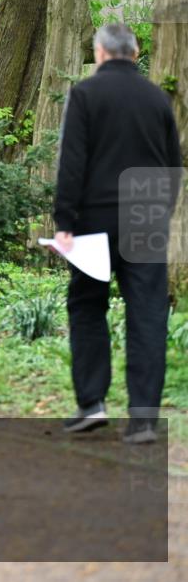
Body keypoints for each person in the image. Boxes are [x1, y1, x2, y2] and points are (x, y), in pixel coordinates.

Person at [55, 23, 182, 444]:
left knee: (88, 305)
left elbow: (72, 161)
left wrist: (64, 222)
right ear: (135, 51)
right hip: (145, 210)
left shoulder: (86, 95)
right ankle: (143, 419)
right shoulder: (157, 98)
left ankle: (92, 403)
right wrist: (161, 212)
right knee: (146, 313)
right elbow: (172, 164)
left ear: (100, 53)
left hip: (94, 217)